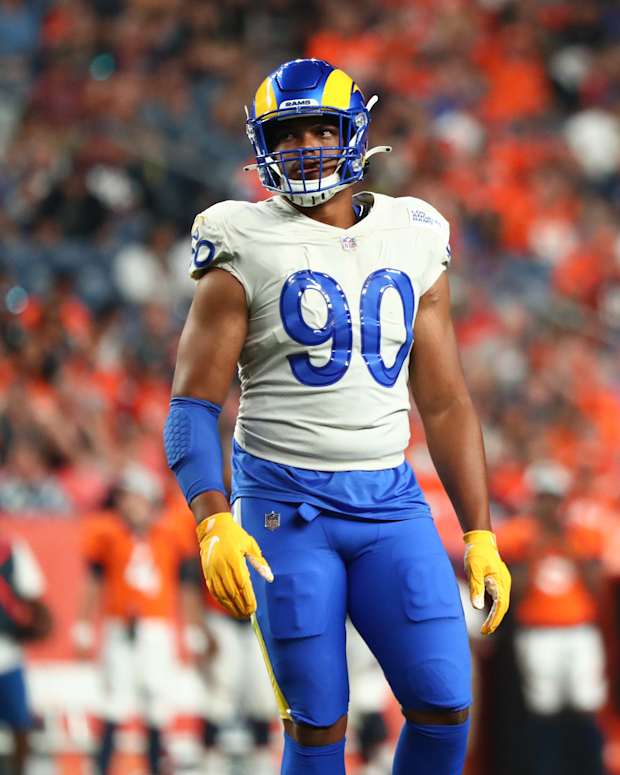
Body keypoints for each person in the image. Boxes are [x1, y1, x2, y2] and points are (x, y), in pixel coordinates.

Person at [164, 58, 511, 775]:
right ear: (264, 148)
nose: (306, 148)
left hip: (389, 499)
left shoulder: (413, 230)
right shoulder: (242, 238)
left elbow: (444, 398)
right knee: (319, 722)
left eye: (321, 128)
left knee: (447, 703)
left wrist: (479, 529)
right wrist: (211, 516)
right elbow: (193, 404)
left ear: (356, 133)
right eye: (288, 136)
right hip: (285, 510)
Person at [73, 464, 204, 775]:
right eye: (124, 498)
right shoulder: (109, 533)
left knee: (158, 701)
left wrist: (192, 628)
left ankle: (156, 768)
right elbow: (94, 580)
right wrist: (82, 623)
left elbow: (186, 586)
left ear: (149, 499)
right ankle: (103, 766)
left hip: (157, 628)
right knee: (115, 701)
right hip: (118, 627)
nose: (128, 505)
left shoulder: (170, 534)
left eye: (133, 497)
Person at [498, 461, 607, 775]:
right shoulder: (519, 534)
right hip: (538, 632)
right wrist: (534, 552)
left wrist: (567, 546)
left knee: (586, 704)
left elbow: (596, 585)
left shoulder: (579, 532)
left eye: (555, 497)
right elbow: (511, 591)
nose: (550, 505)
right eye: (545, 497)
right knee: (543, 709)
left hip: (579, 631)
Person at [0, 531, 52, 775]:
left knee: (20, 724)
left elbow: (34, 597)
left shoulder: (9, 549)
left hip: (6, 653)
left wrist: (37, 625)